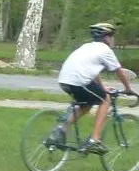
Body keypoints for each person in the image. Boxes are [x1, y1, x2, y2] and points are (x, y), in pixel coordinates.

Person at [53, 22, 136, 154]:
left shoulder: (86, 47)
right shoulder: (105, 50)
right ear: (107, 38)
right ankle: (95, 140)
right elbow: (119, 71)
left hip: (64, 81)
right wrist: (128, 88)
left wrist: (102, 86)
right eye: (112, 36)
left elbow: (92, 69)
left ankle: (61, 129)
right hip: (80, 81)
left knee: (86, 105)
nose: (113, 39)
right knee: (106, 99)